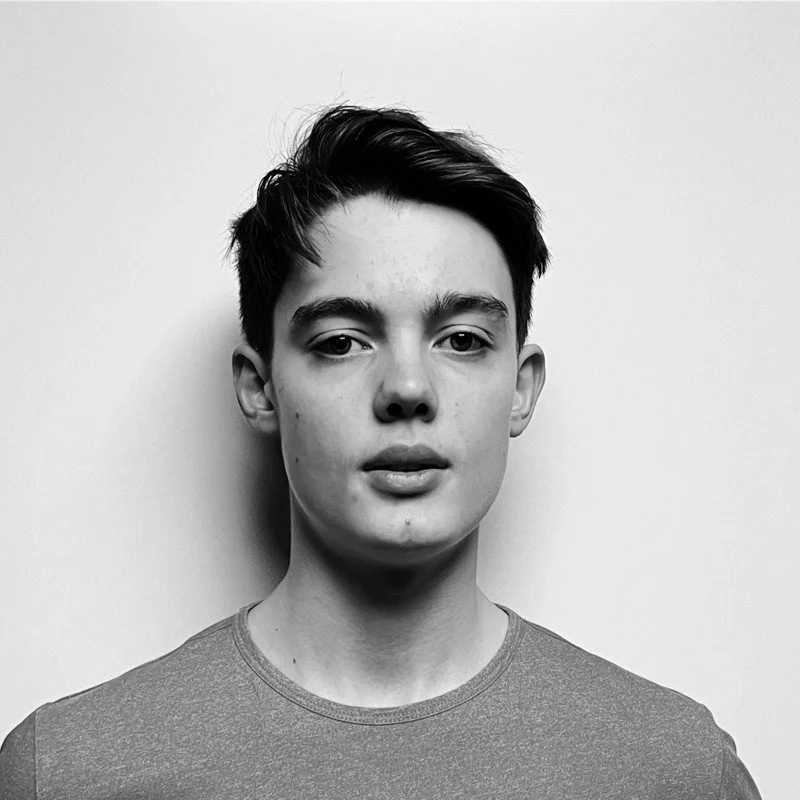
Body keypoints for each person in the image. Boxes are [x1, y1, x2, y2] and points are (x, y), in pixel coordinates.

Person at [0, 104, 762, 799]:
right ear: (261, 388)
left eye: (462, 340)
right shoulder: (66, 771)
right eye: (341, 342)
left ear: (521, 388)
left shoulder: (674, 768)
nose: (406, 387)